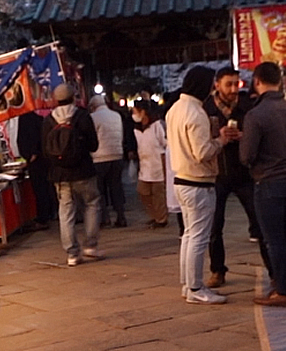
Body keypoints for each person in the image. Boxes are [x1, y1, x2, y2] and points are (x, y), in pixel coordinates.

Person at [167, 66, 237, 305]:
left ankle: (188, 285)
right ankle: (196, 287)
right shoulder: (195, 112)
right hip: (197, 181)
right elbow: (202, 152)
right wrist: (221, 140)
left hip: (181, 179)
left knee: (189, 236)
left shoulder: (175, 108)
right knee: (198, 237)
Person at [241, 62, 286, 307]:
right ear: (279, 81)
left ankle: (283, 289)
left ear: (257, 81)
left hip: (269, 181)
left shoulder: (256, 115)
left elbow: (246, 156)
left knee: (274, 239)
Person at [202, 67, 272, 288]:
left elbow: (259, 136)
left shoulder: (247, 107)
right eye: (228, 84)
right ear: (217, 85)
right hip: (217, 173)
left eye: (236, 84)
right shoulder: (206, 109)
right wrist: (218, 138)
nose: (233, 89)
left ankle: (274, 271)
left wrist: (244, 137)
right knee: (214, 226)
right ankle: (217, 270)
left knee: (260, 222)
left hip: (244, 173)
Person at [42, 83, 100, 267]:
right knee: (92, 204)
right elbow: (93, 145)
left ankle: (72, 254)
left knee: (66, 212)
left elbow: (45, 150)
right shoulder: (82, 116)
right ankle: (90, 246)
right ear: (73, 97)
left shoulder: (48, 121)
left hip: (60, 175)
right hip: (83, 170)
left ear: (56, 100)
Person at [89, 94, 127, 228]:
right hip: (117, 155)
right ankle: (121, 216)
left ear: (93, 106)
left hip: (99, 158)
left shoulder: (93, 118)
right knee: (116, 187)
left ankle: (104, 218)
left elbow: (91, 138)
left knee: (100, 189)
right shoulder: (116, 116)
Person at [17, 110, 56, 230]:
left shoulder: (26, 118)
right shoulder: (41, 118)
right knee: (47, 187)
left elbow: (27, 138)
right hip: (46, 158)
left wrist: (30, 155)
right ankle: (51, 212)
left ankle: (43, 217)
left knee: (40, 189)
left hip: (36, 160)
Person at [131, 99, 167, 228]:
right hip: (145, 167)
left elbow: (165, 144)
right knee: (143, 192)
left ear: (143, 112)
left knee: (159, 195)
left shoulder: (157, 125)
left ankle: (161, 219)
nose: (133, 114)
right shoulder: (136, 129)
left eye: (135, 111)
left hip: (157, 166)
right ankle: (154, 215)